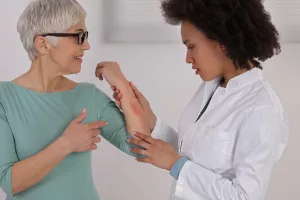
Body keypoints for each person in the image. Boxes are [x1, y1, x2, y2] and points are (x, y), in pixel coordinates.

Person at [96, 0, 289, 199]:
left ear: (221, 43)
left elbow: (245, 196)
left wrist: (176, 165)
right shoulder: (212, 87)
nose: (188, 58)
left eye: (191, 47)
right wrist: (152, 120)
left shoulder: (262, 110)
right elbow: (194, 155)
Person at [0, 0, 149, 200]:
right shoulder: (4, 98)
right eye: (79, 36)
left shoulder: (88, 95)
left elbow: (141, 148)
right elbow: (10, 182)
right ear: (43, 44)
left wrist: (122, 85)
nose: (86, 45)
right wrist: (66, 144)